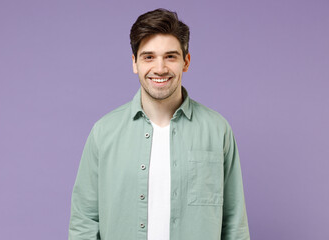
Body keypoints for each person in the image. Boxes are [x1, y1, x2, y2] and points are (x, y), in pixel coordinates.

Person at [68, 8, 250, 240]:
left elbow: (235, 224)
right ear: (135, 63)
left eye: (170, 56)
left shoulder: (217, 131)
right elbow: (84, 220)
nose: (160, 68)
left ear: (186, 62)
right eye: (149, 56)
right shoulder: (104, 132)